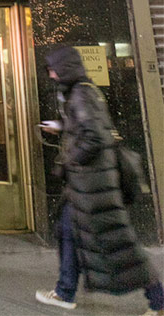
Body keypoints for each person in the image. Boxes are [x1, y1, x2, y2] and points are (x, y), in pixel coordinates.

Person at [36, 46, 164, 315]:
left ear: (66, 67)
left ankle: (159, 300)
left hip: (94, 185)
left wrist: (72, 160)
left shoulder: (81, 93)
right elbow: (88, 127)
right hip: (87, 184)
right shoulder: (79, 92)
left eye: (53, 68)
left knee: (121, 244)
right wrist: (61, 127)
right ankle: (65, 291)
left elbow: (96, 137)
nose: (50, 73)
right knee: (68, 231)